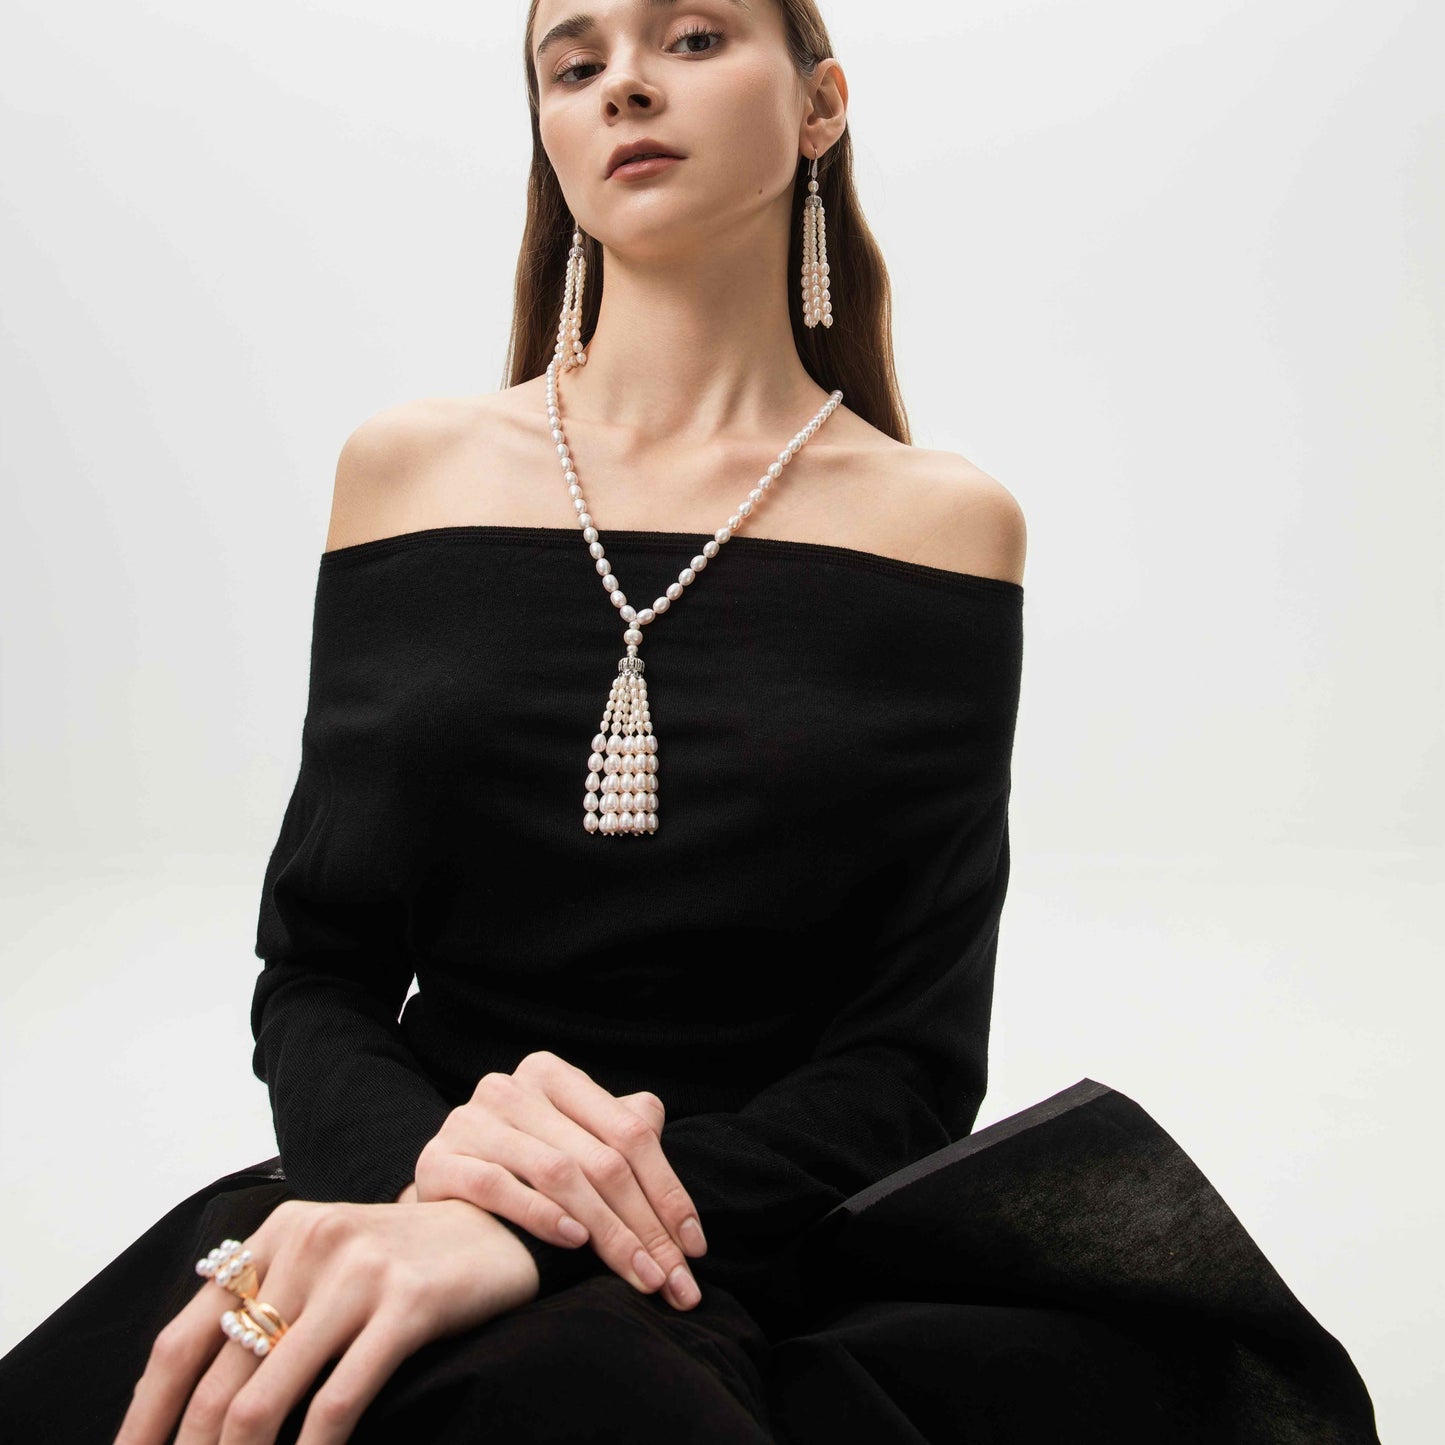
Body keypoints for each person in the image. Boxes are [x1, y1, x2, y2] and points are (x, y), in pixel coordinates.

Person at [0, 2, 1382, 1442]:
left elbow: (906, 1057)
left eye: (694, 38)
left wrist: (531, 1237)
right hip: (392, 1183)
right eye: (575, 62)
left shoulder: (944, 527)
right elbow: (318, 971)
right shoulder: (405, 472)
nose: (625, 90)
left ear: (821, 104)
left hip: (738, 1243)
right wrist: (433, 1187)